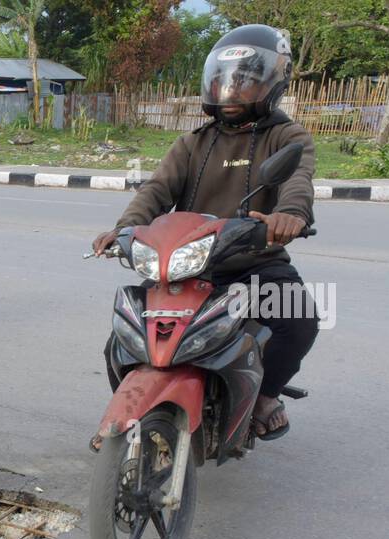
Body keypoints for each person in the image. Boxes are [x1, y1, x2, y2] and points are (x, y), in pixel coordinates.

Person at [91, 24, 315, 440]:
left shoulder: (287, 136)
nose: (232, 90)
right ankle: (138, 407)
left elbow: (298, 181)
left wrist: (290, 215)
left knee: (299, 317)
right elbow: (156, 190)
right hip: (185, 264)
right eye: (225, 80)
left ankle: (265, 395)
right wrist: (124, 230)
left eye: (246, 80)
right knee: (123, 338)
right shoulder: (193, 142)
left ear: (274, 82)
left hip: (254, 262)